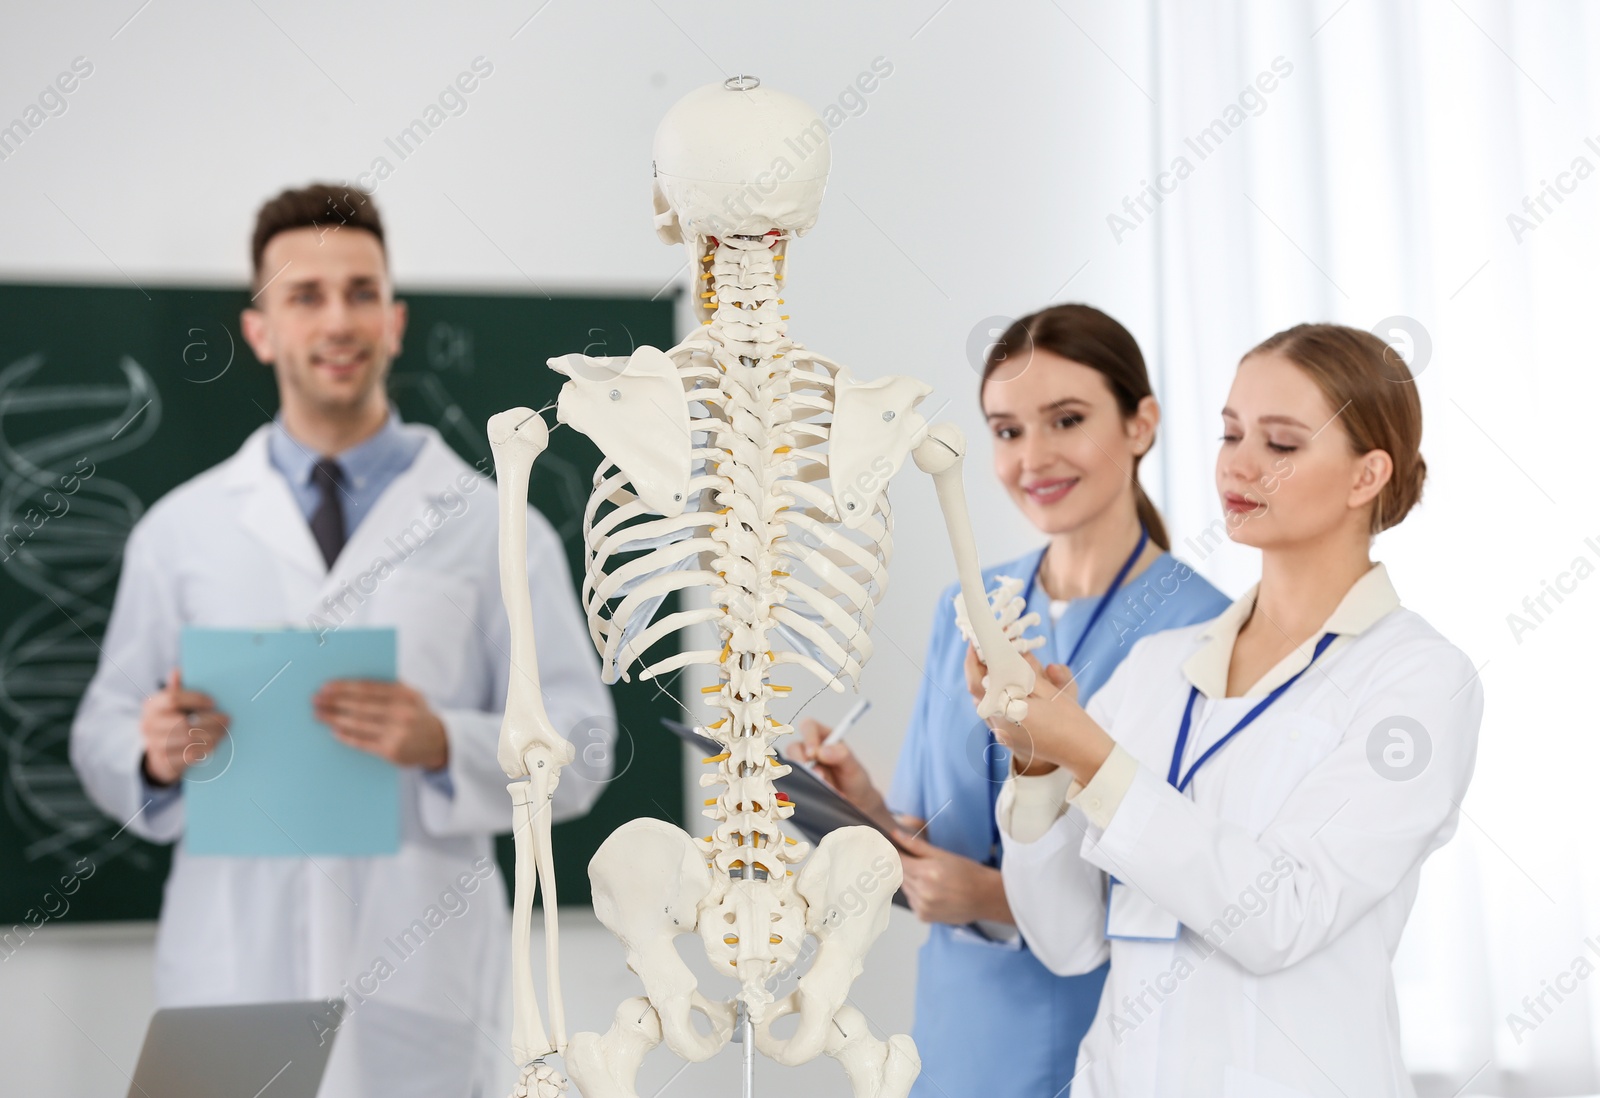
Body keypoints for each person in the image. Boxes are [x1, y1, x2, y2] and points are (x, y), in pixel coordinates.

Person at [69, 183, 614, 1098]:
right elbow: (101, 728)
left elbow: (586, 740)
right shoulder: (184, 529)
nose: (339, 320)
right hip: (231, 967)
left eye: (361, 292)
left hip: (418, 971)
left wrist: (448, 741)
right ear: (261, 328)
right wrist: (152, 752)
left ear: (396, 321)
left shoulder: (491, 525)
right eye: (305, 295)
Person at [984, 323, 1482, 1097]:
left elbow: (1277, 915)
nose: (1238, 465)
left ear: (1366, 476)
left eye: (1281, 444)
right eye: (1230, 433)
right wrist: (1043, 762)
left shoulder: (1419, 682)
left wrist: (1093, 755)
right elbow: (1066, 940)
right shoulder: (1159, 667)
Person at [788, 305, 1230, 1097]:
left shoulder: (1208, 630)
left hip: (1108, 1027)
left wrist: (994, 897)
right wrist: (858, 802)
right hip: (959, 1036)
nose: (1034, 456)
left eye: (1066, 420)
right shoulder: (967, 611)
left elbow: (1199, 885)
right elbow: (929, 839)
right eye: (1006, 430)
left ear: (1141, 424)